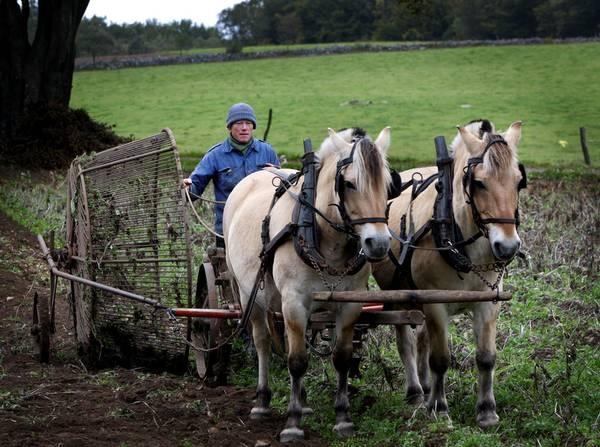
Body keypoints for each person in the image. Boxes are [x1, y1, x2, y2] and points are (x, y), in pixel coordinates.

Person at [183, 103, 280, 248]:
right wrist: (187, 188)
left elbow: (282, 189)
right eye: (239, 123)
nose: (244, 128)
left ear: (253, 126)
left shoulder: (267, 151)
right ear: (229, 127)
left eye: (248, 123)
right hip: (229, 230)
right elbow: (195, 187)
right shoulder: (215, 155)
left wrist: (277, 174)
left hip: (263, 229)